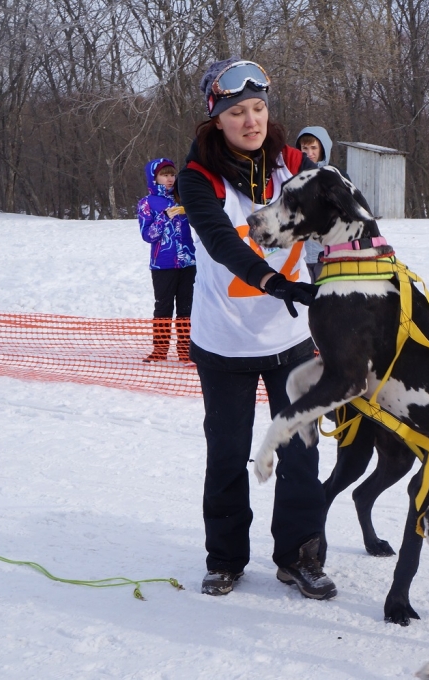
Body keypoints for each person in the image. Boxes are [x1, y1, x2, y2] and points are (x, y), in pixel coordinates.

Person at [175, 58, 334, 599]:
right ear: (216, 120)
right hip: (224, 341)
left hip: (290, 341)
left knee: (301, 448)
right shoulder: (199, 177)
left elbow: (344, 216)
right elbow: (222, 241)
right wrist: (275, 280)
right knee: (227, 452)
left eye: (259, 108)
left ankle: (300, 558)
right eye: (237, 111)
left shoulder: (294, 163)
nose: (251, 121)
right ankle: (224, 559)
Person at [137, 158, 196, 363]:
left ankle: (186, 351)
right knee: (163, 307)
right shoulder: (147, 203)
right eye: (164, 175)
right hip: (162, 264)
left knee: (187, 308)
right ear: (154, 178)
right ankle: (160, 350)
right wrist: (165, 217)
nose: (170, 179)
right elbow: (148, 236)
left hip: (188, 261)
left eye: (172, 174)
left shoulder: (183, 197)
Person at [295, 126, 335, 282]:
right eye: (304, 148)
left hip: (326, 252)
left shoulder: (333, 176)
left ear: (323, 150)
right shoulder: (293, 176)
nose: (309, 153)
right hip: (299, 253)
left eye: (314, 148)